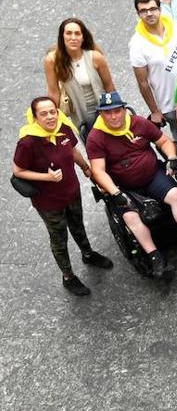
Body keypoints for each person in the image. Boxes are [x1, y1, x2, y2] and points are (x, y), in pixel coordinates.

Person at [86, 92, 177, 278]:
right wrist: (115, 192)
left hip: (152, 175)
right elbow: (98, 171)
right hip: (124, 185)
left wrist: (171, 157)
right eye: (108, 113)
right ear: (101, 114)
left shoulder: (138, 123)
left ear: (123, 110)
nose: (113, 116)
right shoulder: (96, 137)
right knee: (130, 217)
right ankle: (154, 256)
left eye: (117, 111)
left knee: (176, 195)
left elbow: (163, 141)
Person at [12, 96, 112, 295]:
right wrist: (46, 177)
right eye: (43, 114)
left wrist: (85, 167)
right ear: (35, 117)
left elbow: (72, 150)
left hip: (71, 192)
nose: (50, 117)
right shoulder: (28, 142)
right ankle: (68, 277)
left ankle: (88, 254)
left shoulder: (63, 127)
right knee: (59, 238)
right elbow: (18, 171)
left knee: (78, 225)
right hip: (49, 201)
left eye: (52, 112)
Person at [127, 0, 177, 191]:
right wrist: (155, 110)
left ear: (159, 9)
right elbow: (143, 82)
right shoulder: (137, 44)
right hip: (170, 101)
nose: (149, 13)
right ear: (138, 14)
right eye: (143, 11)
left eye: (152, 9)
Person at [43, 18, 115, 137]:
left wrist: (116, 109)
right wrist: (51, 116)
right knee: (90, 141)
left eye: (77, 33)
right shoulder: (52, 60)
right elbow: (53, 91)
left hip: (103, 107)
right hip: (78, 111)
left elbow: (109, 86)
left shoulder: (95, 57)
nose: (73, 37)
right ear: (62, 36)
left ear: (83, 37)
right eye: (68, 33)